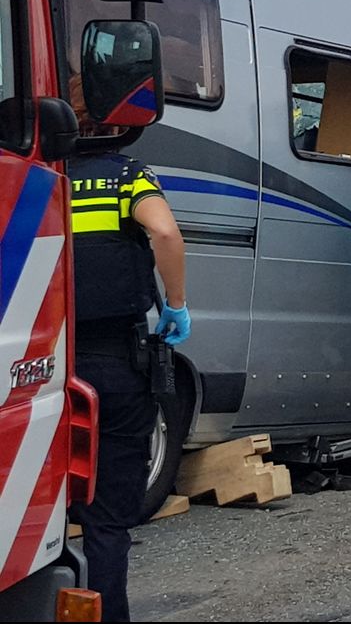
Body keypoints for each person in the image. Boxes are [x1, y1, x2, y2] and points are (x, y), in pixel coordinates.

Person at [68, 149, 191, 622]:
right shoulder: (125, 175)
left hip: (41, 360)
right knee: (106, 520)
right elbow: (163, 230)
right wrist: (175, 303)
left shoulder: (38, 174)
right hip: (114, 363)